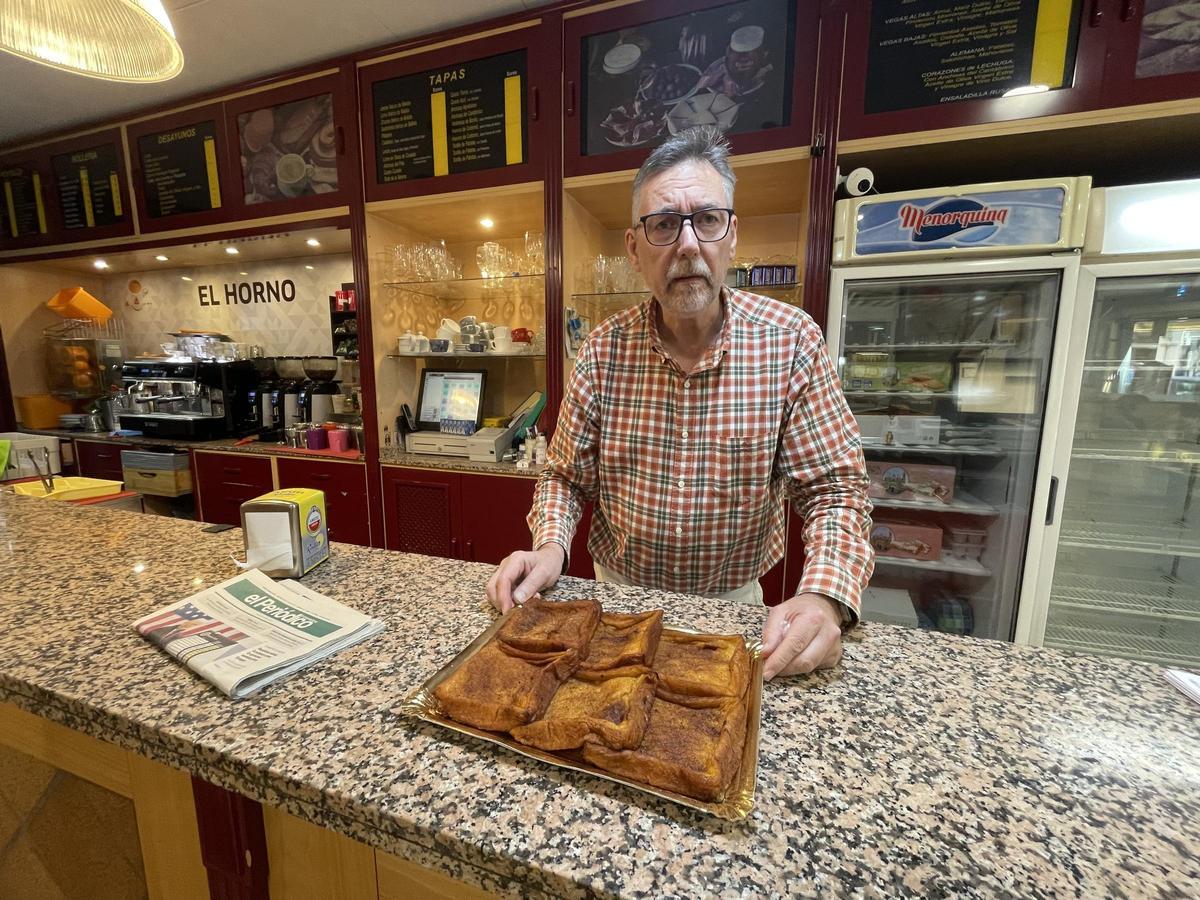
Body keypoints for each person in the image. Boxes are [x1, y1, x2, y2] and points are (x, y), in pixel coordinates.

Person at [486, 126, 873, 680]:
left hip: (732, 609)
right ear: (634, 249)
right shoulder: (601, 350)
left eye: (707, 219)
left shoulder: (791, 342)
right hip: (617, 600)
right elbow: (566, 477)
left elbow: (834, 491)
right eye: (664, 224)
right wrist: (550, 549)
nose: (688, 244)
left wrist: (825, 596)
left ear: (732, 236)